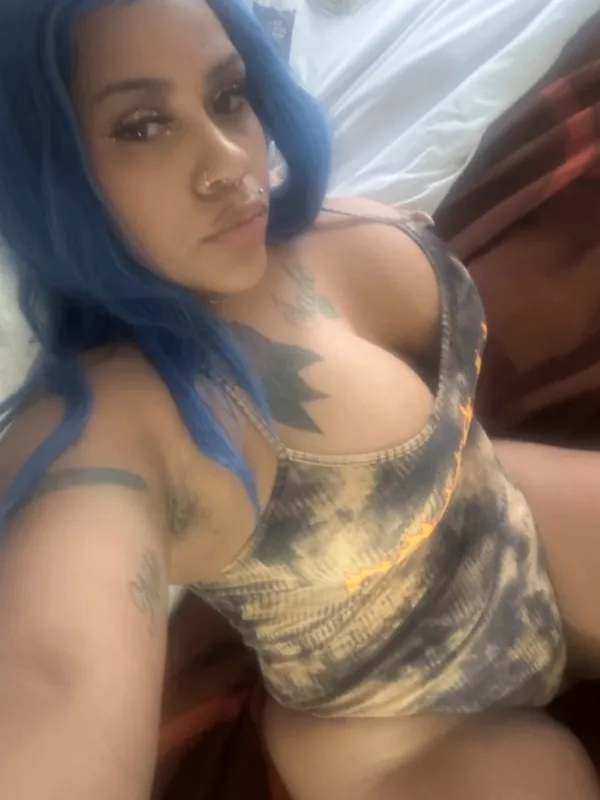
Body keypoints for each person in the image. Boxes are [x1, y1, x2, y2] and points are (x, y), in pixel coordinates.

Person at [1, 1, 600, 798]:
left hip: (510, 517)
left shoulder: (295, 228)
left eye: (226, 96)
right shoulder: (105, 426)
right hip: (410, 728)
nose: (228, 162)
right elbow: (51, 681)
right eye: (142, 126)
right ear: (44, 169)